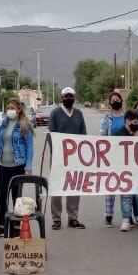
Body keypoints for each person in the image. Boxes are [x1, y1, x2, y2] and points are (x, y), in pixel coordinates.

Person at [0, 98, 34, 239]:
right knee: (2, 196)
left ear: (19, 109)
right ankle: (2, 226)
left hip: (18, 166)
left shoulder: (25, 125)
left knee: (16, 197)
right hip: (3, 165)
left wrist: (28, 167)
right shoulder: (3, 124)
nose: (10, 110)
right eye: (8, 108)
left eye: (12, 108)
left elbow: (30, 148)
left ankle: (16, 227)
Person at [48, 86, 87, 230]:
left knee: (74, 187)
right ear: (62, 98)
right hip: (58, 158)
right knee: (57, 188)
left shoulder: (79, 114)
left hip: (75, 158)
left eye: (71, 96)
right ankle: (56, 218)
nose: (68, 98)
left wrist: (82, 154)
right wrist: (57, 152)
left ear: (74, 98)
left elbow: (83, 135)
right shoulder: (55, 113)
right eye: (66, 96)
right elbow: (50, 135)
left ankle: (73, 218)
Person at [99, 90, 127, 226]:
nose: (115, 102)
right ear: (110, 103)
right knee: (111, 185)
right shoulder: (106, 119)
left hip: (127, 156)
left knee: (126, 185)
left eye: (117, 99)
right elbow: (102, 136)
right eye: (113, 100)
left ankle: (127, 215)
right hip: (112, 156)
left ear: (121, 100)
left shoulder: (128, 116)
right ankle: (108, 215)